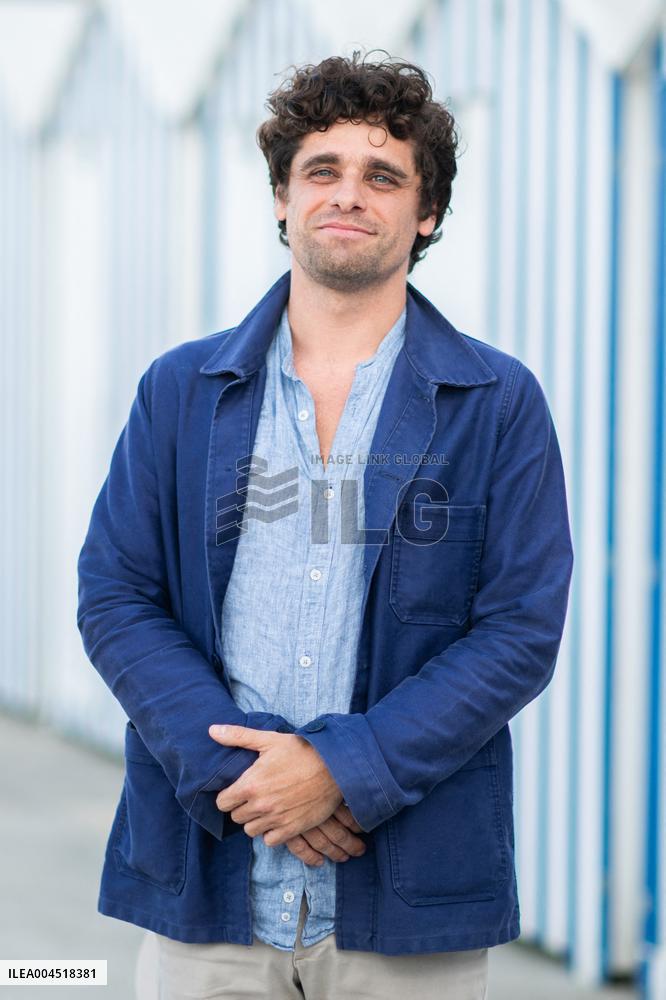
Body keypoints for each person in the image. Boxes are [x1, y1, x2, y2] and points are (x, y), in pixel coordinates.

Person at [77, 51, 574, 1000]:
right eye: (323, 170)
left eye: (383, 175)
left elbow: (519, 632)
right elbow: (115, 596)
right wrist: (258, 783)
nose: (349, 194)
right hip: (210, 886)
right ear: (281, 198)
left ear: (425, 215)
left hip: (408, 903)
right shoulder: (181, 392)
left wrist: (342, 772)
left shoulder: (497, 401)